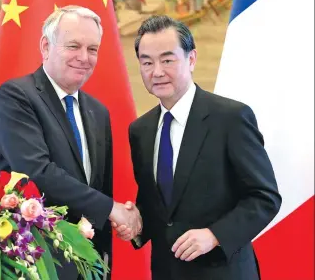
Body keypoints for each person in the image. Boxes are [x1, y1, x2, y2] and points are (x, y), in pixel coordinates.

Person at [113, 15, 282, 280]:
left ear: (191, 59)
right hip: (166, 272)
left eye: (167, 60)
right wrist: (136, 225)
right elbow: (157, 206)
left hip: (224, 272)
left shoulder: (231, 118)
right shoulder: (140, 131)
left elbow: (264, 197)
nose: (157, 71)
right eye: (147, 62)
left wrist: (214, 235)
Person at [0, 5, 141, 279]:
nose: (84, 57)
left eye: (92, 49)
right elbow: (36, 172)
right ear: (46, 46)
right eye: (73, 46)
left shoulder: (98, 111)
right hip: (32, 261)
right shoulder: (17, 97)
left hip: (86, 266)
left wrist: (103, 267)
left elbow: (99, 189)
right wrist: (112, 209)